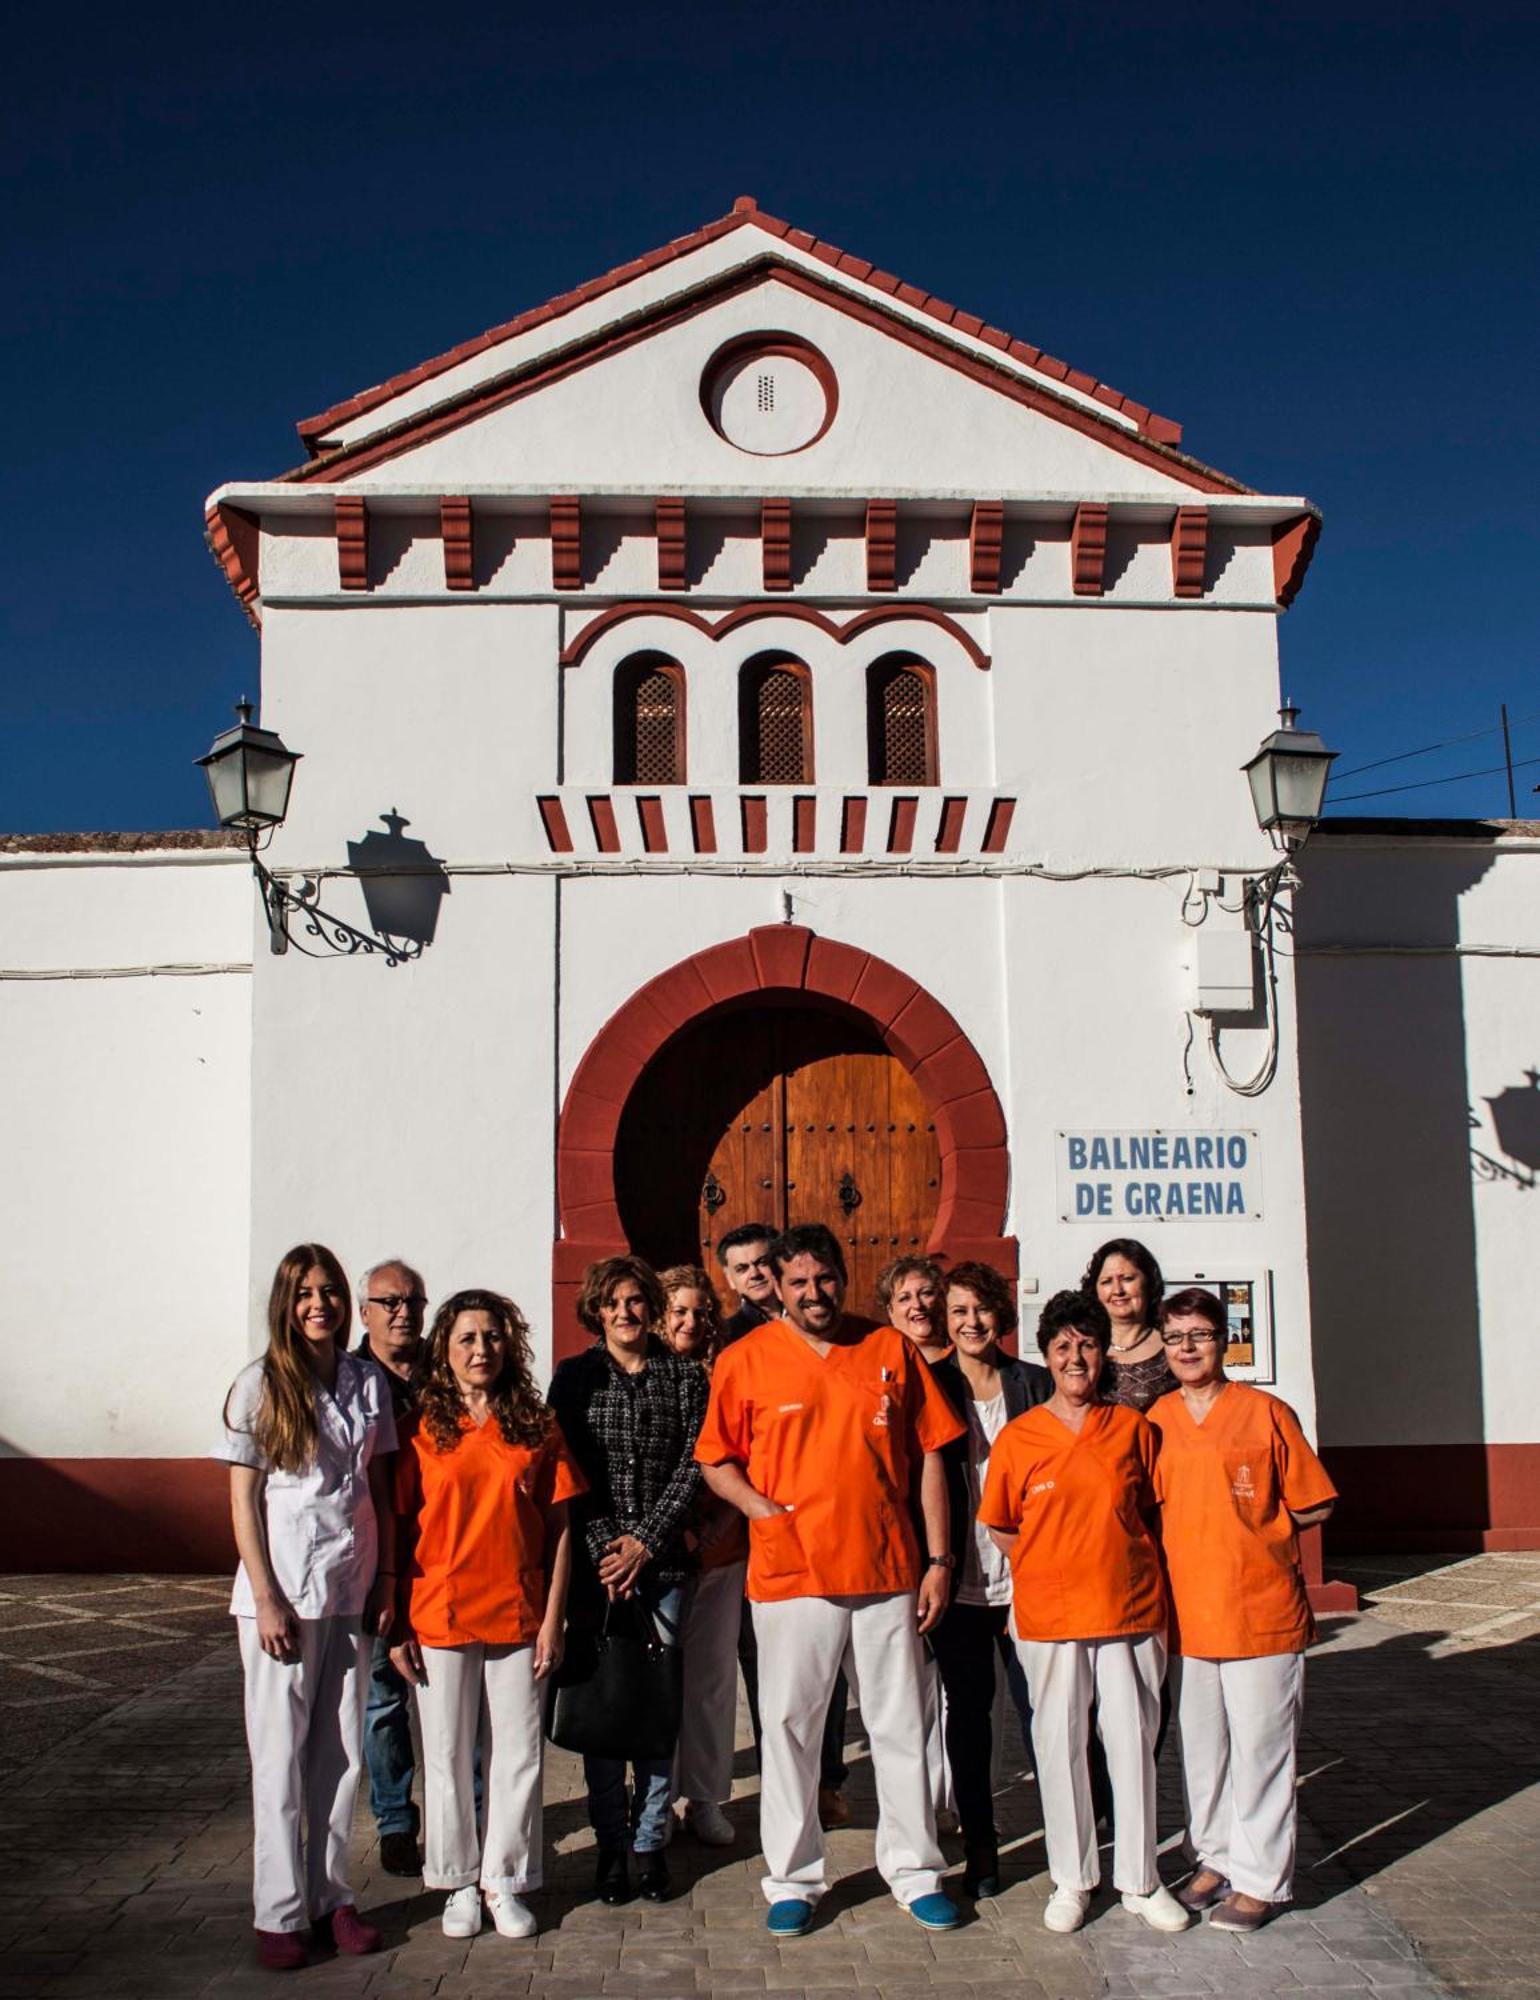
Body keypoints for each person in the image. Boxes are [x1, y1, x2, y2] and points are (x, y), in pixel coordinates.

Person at [696, 1222, 965, 1937]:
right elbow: (715, 1459)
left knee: (901, 1725)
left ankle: (914, 1869)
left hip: (886, 1570)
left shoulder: (887, 1349)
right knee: (790, 1728)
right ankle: (793, 1876)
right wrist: (760, 1509)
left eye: (826, 1278)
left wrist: (940, 1561)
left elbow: (932, 1456)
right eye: (799, 1282)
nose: (815, 1293)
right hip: (791, 1576)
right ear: (776, 1289)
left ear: (843, 1276)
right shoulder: (746, 1359)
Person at [978, 1289, 1187, 1937]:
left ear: (1104, 1356)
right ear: (1047, 1354)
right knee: (1060, 1743)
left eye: (1088, 1345)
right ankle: (1072, 1878)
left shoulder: (1133, 1430)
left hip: (1129, 1613)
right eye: (1064, 1346)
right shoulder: (1020, 1438)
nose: (1075, 1357)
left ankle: (1141, 1881)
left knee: (1131, 1746)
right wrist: (1051, 1563)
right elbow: (1003, 1526)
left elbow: (1156, 1515)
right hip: (1049, 1616)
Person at [213, 1243, 396, 1972]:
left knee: (341, 1756)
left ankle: (332, 1899)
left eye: (329, 1292)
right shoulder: (260, 1384)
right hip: (281, 1596)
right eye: (305, 1293)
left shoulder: (365, 1381)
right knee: (281, 1758)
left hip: (349, 1588)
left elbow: (377, 1491)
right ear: (286, 1304)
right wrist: (265, 1598)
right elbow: (242, 1499)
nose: (319, 1304)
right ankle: (279, 1911)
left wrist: (384, 1582)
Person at [389, 1289, 584, 1942]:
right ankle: (455, 1883)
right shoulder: (420, 1426)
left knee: (518, 1754)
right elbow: (396, 1524)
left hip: (520, 1611)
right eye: (467, 1338)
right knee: (445, 1755)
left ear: (511, 1346)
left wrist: (554, 1619)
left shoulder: (536, 1425)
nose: (481, 1349)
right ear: (444, 1348)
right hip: (439, 1612)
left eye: (493, 1337)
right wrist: (395, 1625)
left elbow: (561, 1529)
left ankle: (505, 1880)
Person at [1148, 1288, 1338, 1933]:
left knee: (1262, 1750)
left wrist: (1260, 1530)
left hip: (1261, 1609)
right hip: (1187, 1614)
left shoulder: (1266, 1413)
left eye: (1200, 1334)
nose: (1188, 1348)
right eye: (1175, 1338)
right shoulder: (1157, 1421)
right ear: (1164, 1346)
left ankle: (1263, 1880)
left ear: (1223, 1340)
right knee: (1202, 1752)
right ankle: (1214, 1859)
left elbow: (1314, 1502)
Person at [548, 1255, 708, 1906]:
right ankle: (610, 1841)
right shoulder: (575, 1377)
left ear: (653, 1309)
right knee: (608, 1708)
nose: (625, 1313)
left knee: (657, 1708)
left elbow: (697, 1463)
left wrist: (645, 1541)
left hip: (664, 1567)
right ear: (597, 1309)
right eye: (612, 1302)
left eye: (637, 1301)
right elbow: (569, 1468)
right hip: (598, 1574)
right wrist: (604, 1549)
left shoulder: (684, 1378)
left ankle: (650, 1842)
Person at [720, 1221, 852, 1830]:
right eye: (741, 1267)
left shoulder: (849, 1338)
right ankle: (787, 1807)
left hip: (849, 1545)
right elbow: (717, 1450)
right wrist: (759, 1509)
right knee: (779, 1688)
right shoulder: (733, 1344)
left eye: (760, 1264)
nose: (755, 1275)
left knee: (837, 1681)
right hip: (765, 1544)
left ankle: (829, 1780)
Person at [928, 1261, 1051, 1898]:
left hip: (1032, 1575)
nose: (971, 1322)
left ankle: (1073, 1834)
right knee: (970, 1717)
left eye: (980, 1310)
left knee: (1046, 1712)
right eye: (958, 1312)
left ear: (1000, 1315)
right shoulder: (931, 1386)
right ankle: (981, 1844)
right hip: (963, 1579)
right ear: (945, 1323)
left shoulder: (1032, 1382)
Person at [657, 1264, 746, 1848]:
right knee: (659, 1680)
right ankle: (656, 1800)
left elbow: (745, 1456)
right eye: (679, 1311)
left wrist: (719, 1523)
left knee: (712, 1680)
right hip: (661, 1555)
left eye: (699, 1312)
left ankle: (707, 1796)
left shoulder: (726, 1376)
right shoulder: (644, 1377)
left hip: (722, 1550)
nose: (691, 1322)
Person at [354, 1258, 429, 1879]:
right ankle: (396, 1820)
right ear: (366, 1313)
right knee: (384, 1696)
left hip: (443, 1555)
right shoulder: (348, 1378)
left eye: (412, 1301)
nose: (403, 1312)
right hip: (378, 1558)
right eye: (389, 1302)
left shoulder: (449, 1366)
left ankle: (473, 1812)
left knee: (461, 1696)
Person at [877, 1253, 955, 1833]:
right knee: (915, 1681)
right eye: (905, 1298)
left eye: (927, 1294)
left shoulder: (971, 1366)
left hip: (960, 1541)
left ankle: (953, 1794)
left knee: (962, 1682)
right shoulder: (882, 1369)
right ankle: (922, 1800)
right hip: (903, 1544)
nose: (918, 1306)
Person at [1082, 1238, 1176, 1413]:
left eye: (1127, 1278)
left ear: (1148, 1283)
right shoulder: (1081, 1348)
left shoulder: (1174, 1346)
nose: (1117, 1290)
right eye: (1106, 1282)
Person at [716, 1221, 779, 1342]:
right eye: (742, 1269)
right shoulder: (725, 1337)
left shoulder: (812, 1318)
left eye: (762, 1262)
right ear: (730, 1279)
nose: (755, 1274)